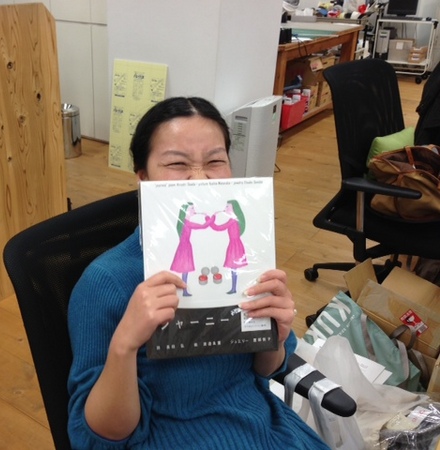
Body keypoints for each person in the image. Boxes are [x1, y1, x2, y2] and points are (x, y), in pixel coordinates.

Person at [67, 97, 329, 449]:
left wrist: (275, 337)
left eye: (215, 161)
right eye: (177, 163)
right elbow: (98, 436)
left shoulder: (246, 255)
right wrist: (124, 345)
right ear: (143, 178)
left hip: (263, 426)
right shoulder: (106, 282)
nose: (200, 176)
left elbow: (266, 370)